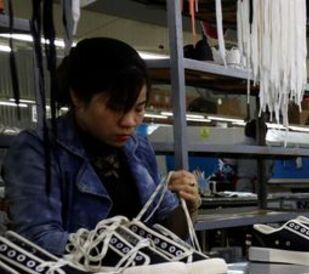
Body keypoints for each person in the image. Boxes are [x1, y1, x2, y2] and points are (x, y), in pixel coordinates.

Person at [2, 37, 200, 255]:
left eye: (139, 108)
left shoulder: (138, 147)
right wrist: (124, 247)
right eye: (116, 107)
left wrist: (186, 208)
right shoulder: (38, 150)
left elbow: (167, 232)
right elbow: (37, 241)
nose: (129, 122)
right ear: (77, 96)